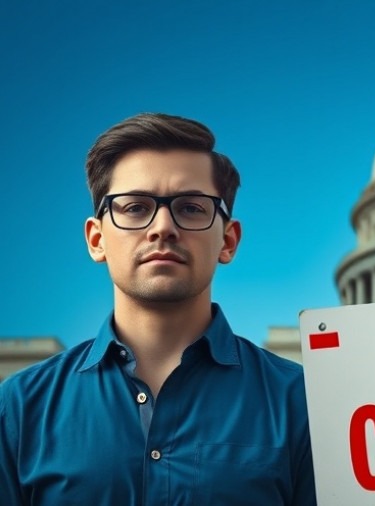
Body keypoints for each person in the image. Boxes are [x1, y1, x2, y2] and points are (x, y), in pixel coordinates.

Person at [0, 113, 317, 504]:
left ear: (228, 241)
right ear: (96, 239)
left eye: (191, 208)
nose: (163, 226)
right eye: (134, 207)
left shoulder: (301, 401)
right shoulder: (19, 408)